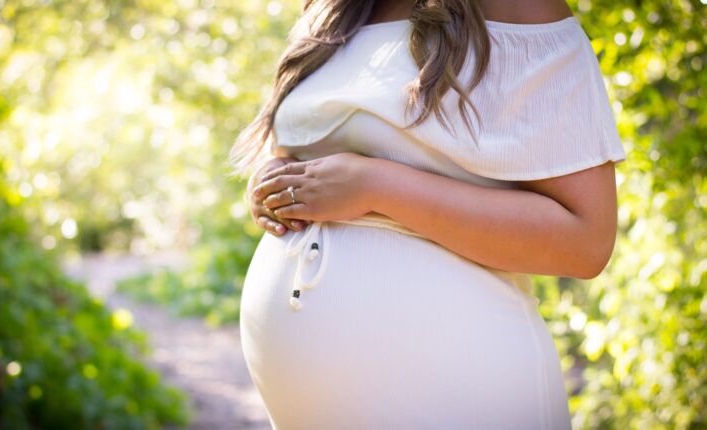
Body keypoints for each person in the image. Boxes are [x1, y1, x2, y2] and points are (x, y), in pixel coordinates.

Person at [229, 0, 626, 428]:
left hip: (464, 390)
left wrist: (376, 187)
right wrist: (274, 181)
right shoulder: (336, 10)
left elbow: (585, 241)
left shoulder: (519, 8)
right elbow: (309, 148)